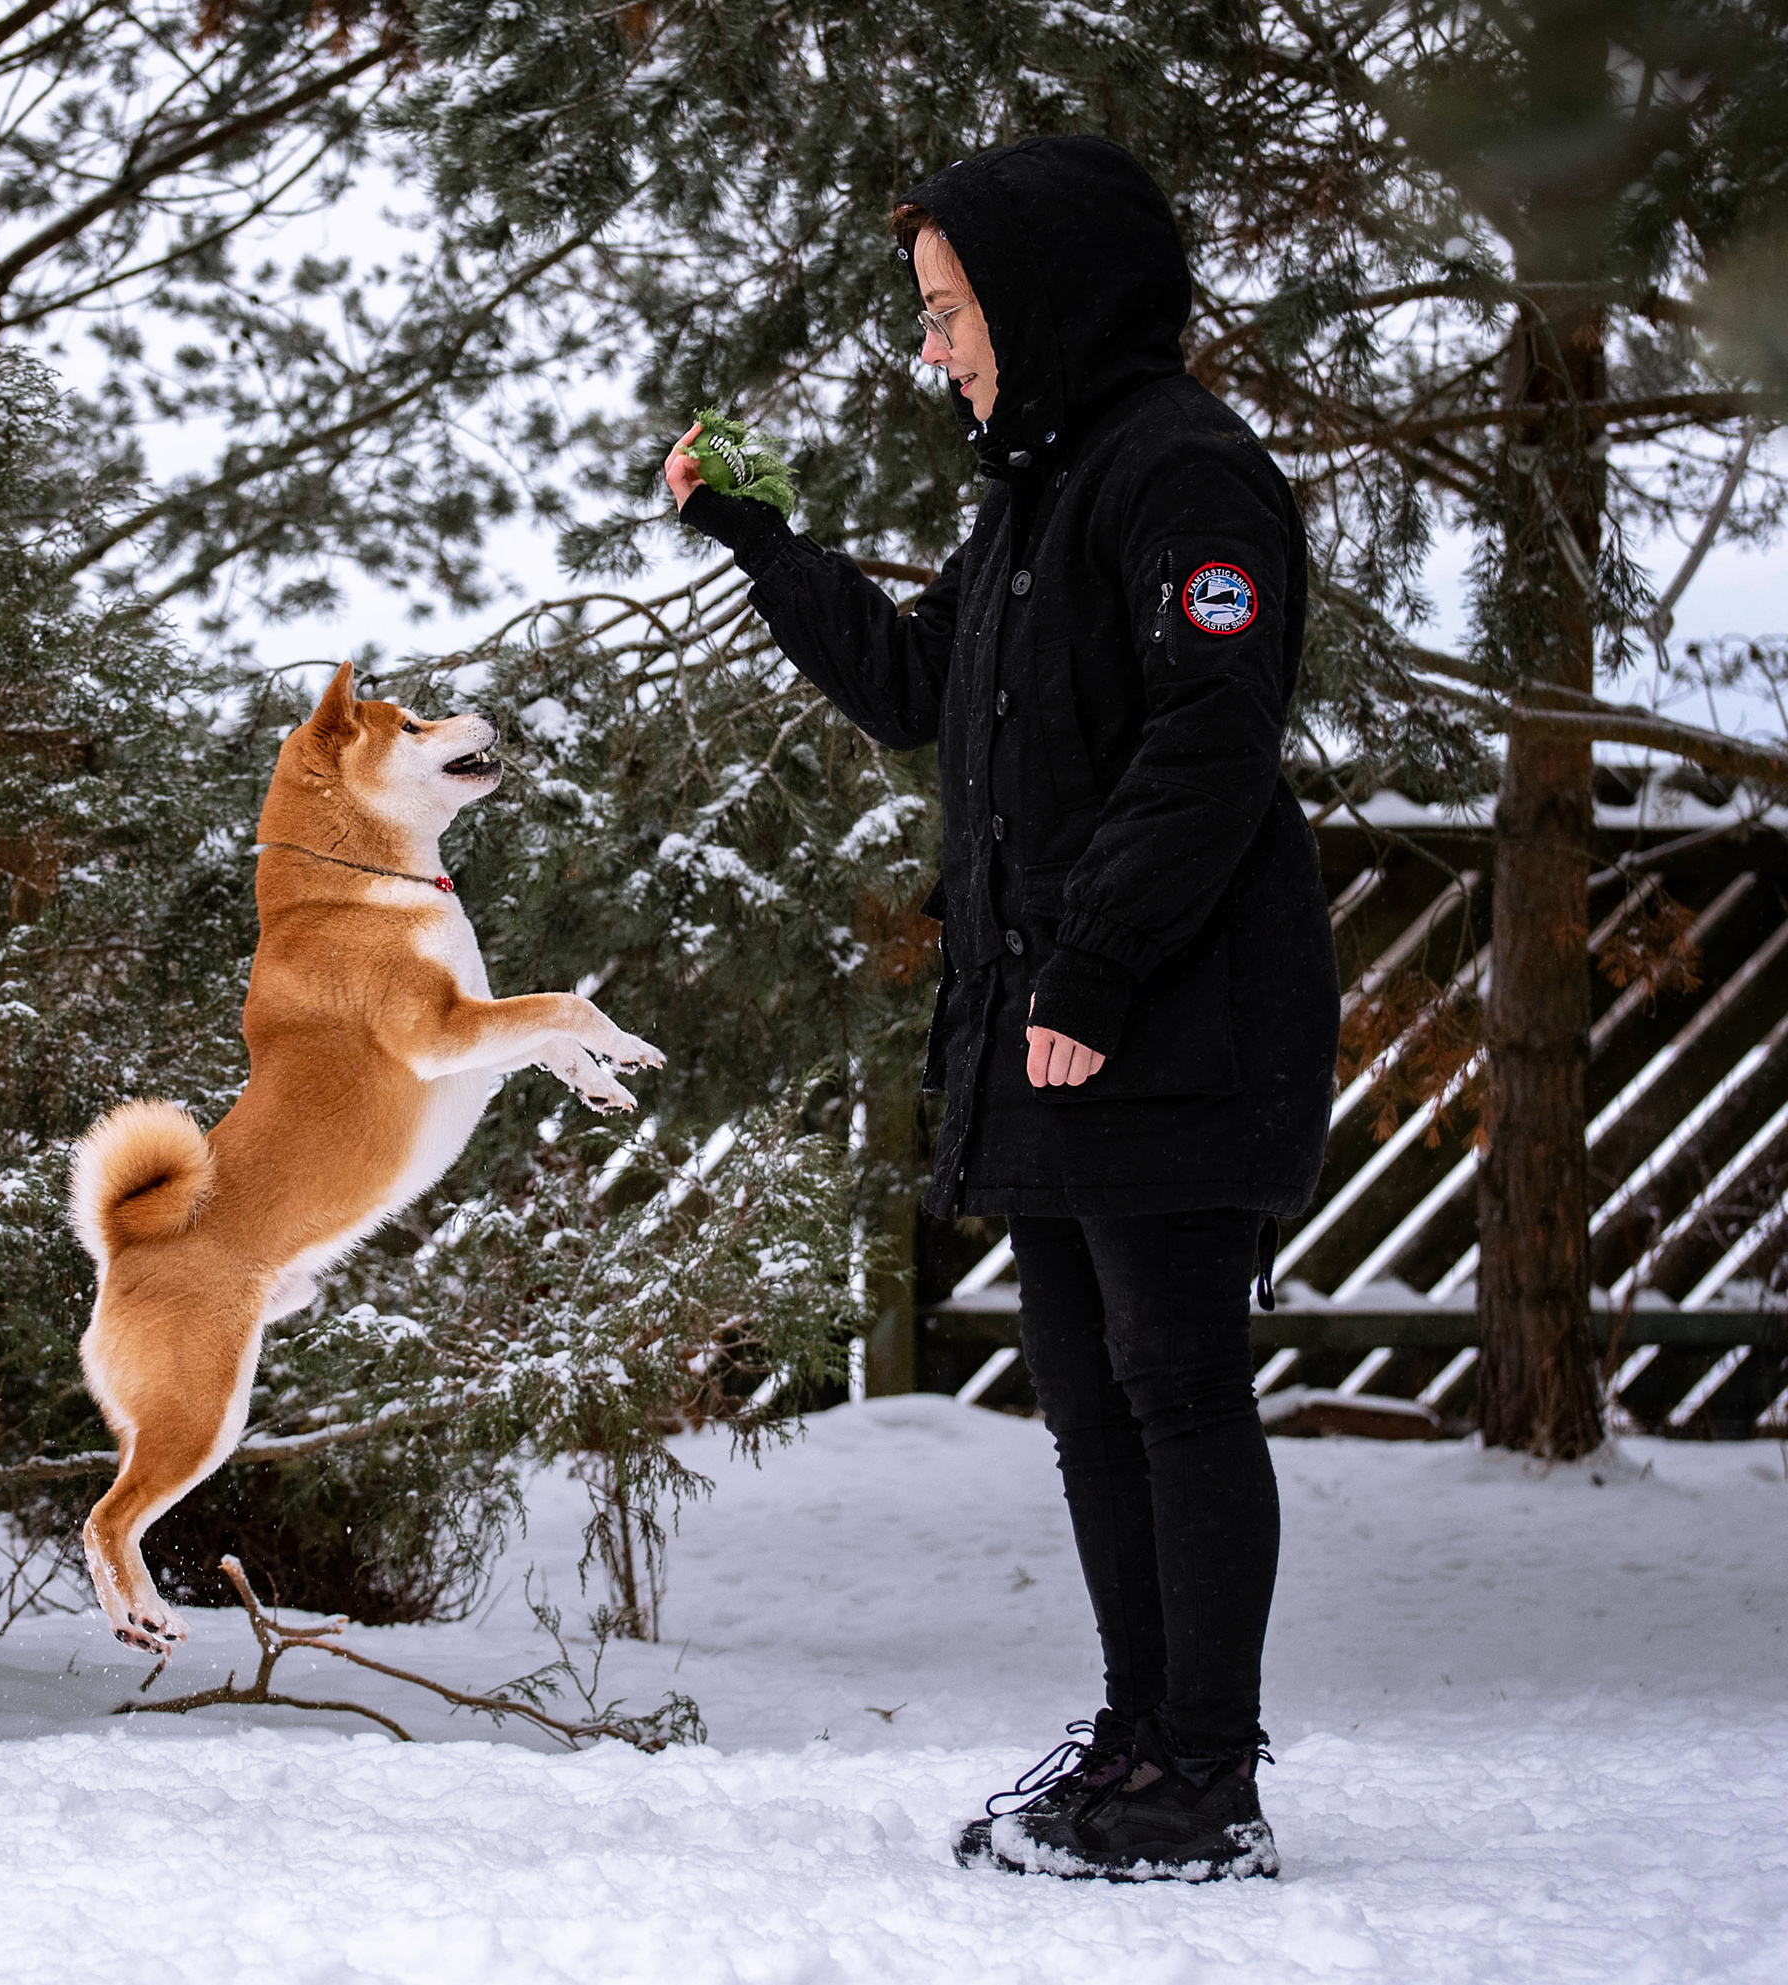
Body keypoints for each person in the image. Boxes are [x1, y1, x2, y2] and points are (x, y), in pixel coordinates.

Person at [668, 135, 1338, 1882]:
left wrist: (1097, 966)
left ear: (1045, 301)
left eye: (953, 312)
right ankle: (1139, 1737)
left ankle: (1210, 1776)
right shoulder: (1036, 489)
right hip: (1055, 1019)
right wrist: (758, 538)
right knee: (1090, 1392)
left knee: (1176, 1380)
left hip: (1168, 1014)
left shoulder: (1183, 474)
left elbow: (1211, 739)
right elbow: (915, 683)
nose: (936, 349)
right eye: (930, 317)